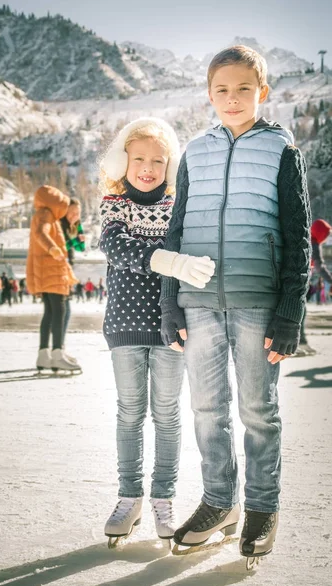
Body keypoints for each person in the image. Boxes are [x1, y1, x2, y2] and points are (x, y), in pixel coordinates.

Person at [159, 45, 311, 563]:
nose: (232, 98)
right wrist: (170, 302)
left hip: (256, 303)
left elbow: (297, 237)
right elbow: (176, 231)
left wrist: (291, 310)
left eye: (243, 88)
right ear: (208, 94)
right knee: (206, 410)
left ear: (262, 92)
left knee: (257, 411)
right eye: (221, 89)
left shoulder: (282, 151)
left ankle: (262, 507)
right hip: (197, 302)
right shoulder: (195, 153)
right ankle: (219, 501)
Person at [99, 117, 215, 544]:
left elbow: (189, 254)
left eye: (158, 160)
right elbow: (115, 246)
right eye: (139, 158)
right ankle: (129, 498)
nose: (147, 167)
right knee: (130, 414)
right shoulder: (115, 204)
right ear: (122, 162)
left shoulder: (176, 207)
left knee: (166, 415)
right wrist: (166, 259)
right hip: (125, 326)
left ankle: (163, 499)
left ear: (170, 166)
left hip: (171, 328)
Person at [26, 185, 81, 372]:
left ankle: (44, 354)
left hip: (48, 271)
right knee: (59, 311)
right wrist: (53, 249)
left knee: (50, 312)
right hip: (52, 271)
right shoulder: (46, 215)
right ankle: (57, 353)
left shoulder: (46, 215)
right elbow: (41, 233)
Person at [298, 218, 332, 355]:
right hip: (298, 281)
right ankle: (299, 343)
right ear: (321, 232)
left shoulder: (306, 238)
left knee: (300, 311)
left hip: (298, 280)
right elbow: (319, 265)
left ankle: (301, 343)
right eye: (327, 233)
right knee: (300, 312)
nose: (327, 237)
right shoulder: (314, 242)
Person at [60, 197, 85, 351]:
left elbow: (82, 247)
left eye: (77, 213)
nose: (74, 215)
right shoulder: (60, 225)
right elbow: (61, 246)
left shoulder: (77, 225)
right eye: (71, 212)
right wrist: (75, 241)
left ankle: (59, 344)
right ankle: (57, 345)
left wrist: (77, 240)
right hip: (59, 268)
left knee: (65, 309)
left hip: (68, 269)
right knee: (63, 310)